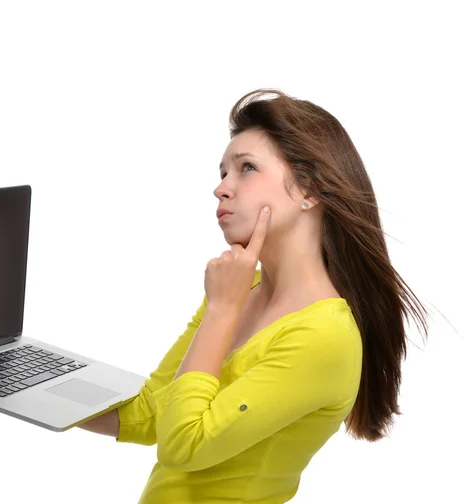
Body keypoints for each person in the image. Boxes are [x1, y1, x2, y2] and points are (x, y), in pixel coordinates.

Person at [77, 88, 430, 503]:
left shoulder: (322, 335)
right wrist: (31, 388)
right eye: (223, 171)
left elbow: (183, 445)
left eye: (246, 168)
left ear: (310, 190)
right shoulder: (241, 292)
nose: (221, 188)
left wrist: (223, 308)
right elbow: (148, 414)